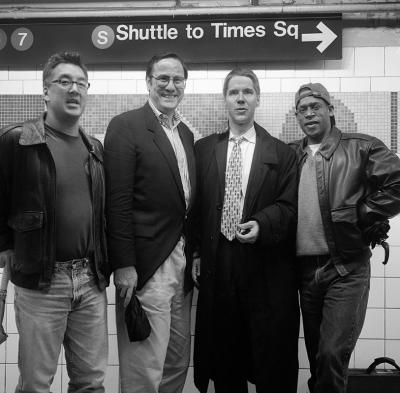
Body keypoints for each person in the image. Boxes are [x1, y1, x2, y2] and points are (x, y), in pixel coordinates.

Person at [0, 51, 110, 393]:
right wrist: (5, 247)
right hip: (41, 281)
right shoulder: (19, 140)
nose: (74, 89)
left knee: (91, 382)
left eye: (80, 83)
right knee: (36, 384)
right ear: (46, 91)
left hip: (90, 280)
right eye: (64, 82)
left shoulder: (95, 149)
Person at [192, 68, 299, 393]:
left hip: (264, 268)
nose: (240, 98)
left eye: (247, 92)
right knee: (225, 357)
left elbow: (290, 207)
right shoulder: (204, 149)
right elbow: (194, 207)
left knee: (268, 357)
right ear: (225, 100)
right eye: (234, 92)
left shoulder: (282, 153)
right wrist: (196, 251)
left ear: (257, 99)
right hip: (218, 265)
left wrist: (262, 224)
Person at [290, 82, 400, 393]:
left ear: (330, 109)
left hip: (346, 269)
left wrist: (364, 212)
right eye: (302, 109)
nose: (309, 113)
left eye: (316, 106)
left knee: (331, 354)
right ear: (296, 116)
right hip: (304, 272)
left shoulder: (361, 147)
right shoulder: (291, 156)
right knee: (318, 361)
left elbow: (397, 184)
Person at [104, 52, 196, 393]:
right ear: (148, 82)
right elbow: (117, 203)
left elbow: (184, 205)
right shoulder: (126, 126)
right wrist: (124, 265)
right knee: (144, 368)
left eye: (177, 79)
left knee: (175, 361)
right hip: (145, 268)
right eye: (163, 79)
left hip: (180, 265)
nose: (171, 86)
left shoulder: (185, 133)